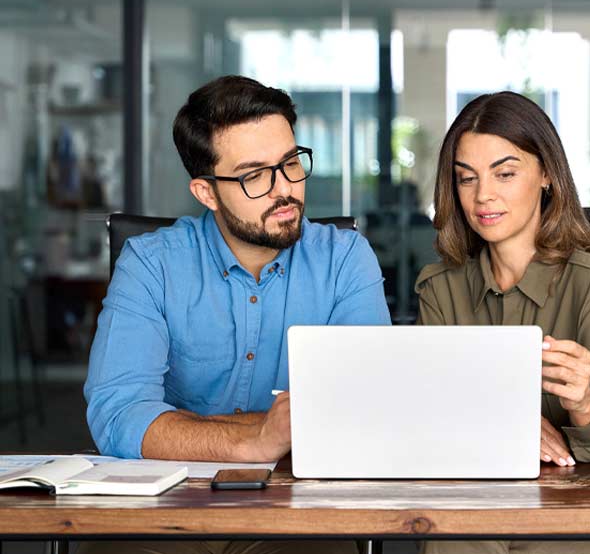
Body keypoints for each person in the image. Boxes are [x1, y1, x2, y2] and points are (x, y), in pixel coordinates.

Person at [81, 75, 390, 554]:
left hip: (299, 508)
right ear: (206, 192)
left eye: (290, 163)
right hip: (168, 507)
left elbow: (365, 409)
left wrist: (186, 427)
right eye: (253, 175)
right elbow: (119, 414)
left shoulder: (345, 259)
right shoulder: (151, 263)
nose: (284, 189)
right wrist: (256, 440)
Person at [414, 91, 590, 554]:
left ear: (546, 174)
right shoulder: (439, 288)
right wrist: (507, 426)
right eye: (467, 178)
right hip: (484, 497)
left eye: (505, 173)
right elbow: (428, 416)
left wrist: (583, 402)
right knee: (451, 539)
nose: (483, 195)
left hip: (585, 501)